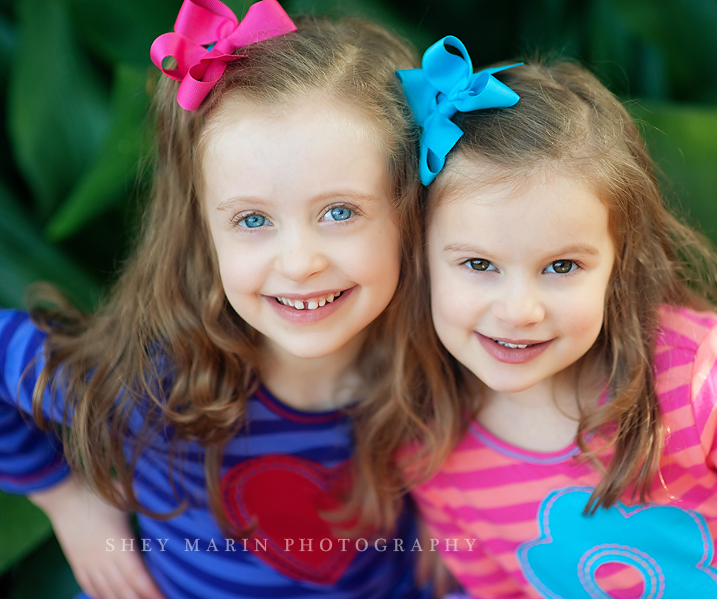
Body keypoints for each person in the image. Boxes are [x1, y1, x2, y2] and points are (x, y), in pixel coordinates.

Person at [354, 36, 717, 598]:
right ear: (416, 259)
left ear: (619, 261)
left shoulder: (705, 386)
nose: (520, 310)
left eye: (562, 265)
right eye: (478, 263)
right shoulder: (430, 444)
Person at [0, 2, 429, 598]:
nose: (300, 261)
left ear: (412, 212)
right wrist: (68, 503)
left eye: (340, 212)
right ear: (203, 229)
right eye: (253, 220)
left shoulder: (444, 375)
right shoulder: (149, 388)